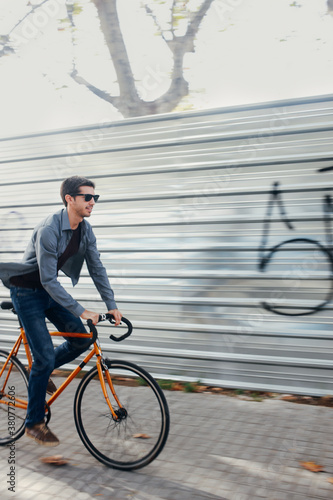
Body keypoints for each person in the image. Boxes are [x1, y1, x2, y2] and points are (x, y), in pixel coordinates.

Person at [0, 176, 122, 446]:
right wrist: (82, 310)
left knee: (81, 338)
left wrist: (111, 304)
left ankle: (37, 375)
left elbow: (96, 267)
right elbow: (47, 279)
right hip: (26, 291)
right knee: (43, 357)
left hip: (47, 291)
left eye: (95, 197)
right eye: (87, 197)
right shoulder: (49, 229)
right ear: (70, 199)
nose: (93, 202)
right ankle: (33, 423)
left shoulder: (85, 230)